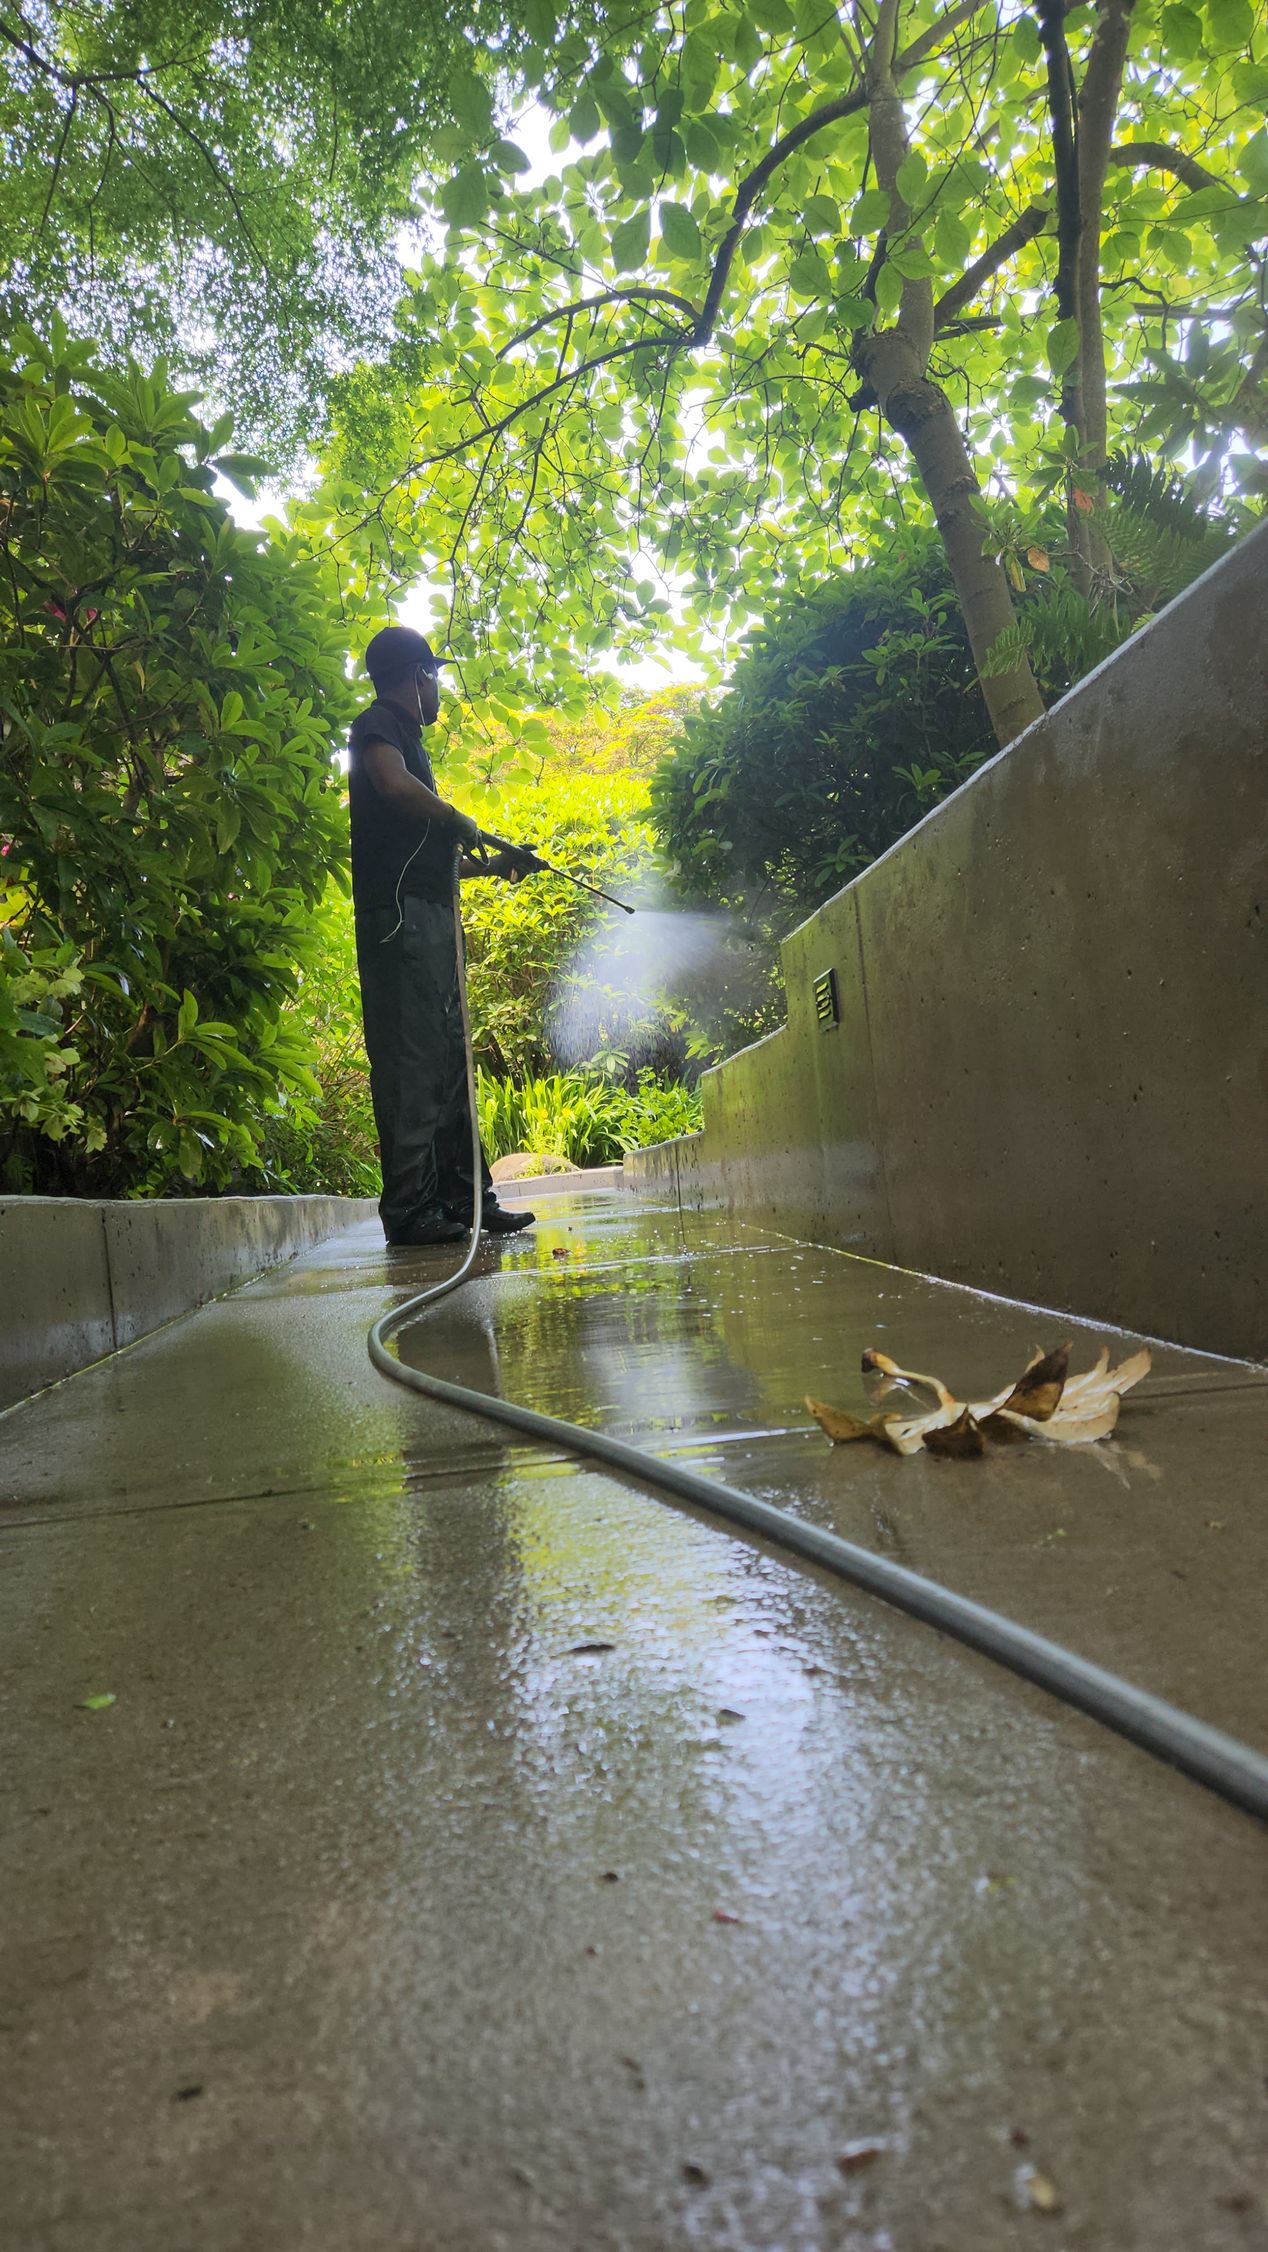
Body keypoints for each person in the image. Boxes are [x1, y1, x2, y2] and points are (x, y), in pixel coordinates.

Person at [348, 625, 536, 1247]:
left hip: (427, 913)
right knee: (415, 1059)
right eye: (435, 679)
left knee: (451, 1060)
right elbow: (391, 782)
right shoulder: (380, 726)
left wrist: (496, 864)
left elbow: (430, 856)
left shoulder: (407, 742)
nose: (438, 694)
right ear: (417, 676)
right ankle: (410, 1211)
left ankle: (465, 1201)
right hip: (401, 921)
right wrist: (458, 819)